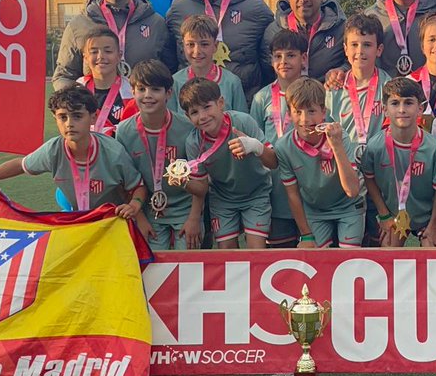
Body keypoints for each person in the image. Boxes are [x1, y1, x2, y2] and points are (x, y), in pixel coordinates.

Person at [0, 87, 150, 234]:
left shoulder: (114, 153)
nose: (69, 124)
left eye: (77, 116)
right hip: (77, 222)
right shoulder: (53, 150)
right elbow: (20, 165)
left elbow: (138, 187)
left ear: (93, 117)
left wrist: (135, 207)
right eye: (63, 117)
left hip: (111, 223)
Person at [53, 0, 174, 90]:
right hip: (96, 111)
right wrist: (81, 104)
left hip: (143, 111)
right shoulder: (78, 25)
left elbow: (170, 72)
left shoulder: (155, 23)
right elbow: (64, 76)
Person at [177, 78, 276, 249]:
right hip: (223, 199)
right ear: (188, 116)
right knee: (227, 253)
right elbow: (201, 188)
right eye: (194, 112)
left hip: (256, 194)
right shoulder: (193, 142)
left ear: (220, 103)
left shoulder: (243, 122)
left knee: (257, 251)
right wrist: (184, 182)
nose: (202, 116)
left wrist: (256, 147)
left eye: (207, 107)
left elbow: (273, 162)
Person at [115, 60, 204, 251]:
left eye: (155, 89)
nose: (147, 95)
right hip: (147, 211)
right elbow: (124, 182)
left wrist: (194, 218)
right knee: (152, 265)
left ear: (168, 93)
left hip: (184, 209)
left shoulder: (187, 127)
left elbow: (201, 180)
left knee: (187, 264)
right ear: (133, 92)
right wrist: (139, 218)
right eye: (141, 89)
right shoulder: (124, 131)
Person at [275, 78, 364, 248]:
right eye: (297, 112)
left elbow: (352, 191)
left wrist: (336, 146)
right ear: (289, 113)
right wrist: (306, 235)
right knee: (315, 258)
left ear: (323, 111)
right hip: (315, 211)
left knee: (349, 256)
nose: (304, 119)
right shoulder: (284, 147)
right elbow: (293, 194)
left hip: (348, 206)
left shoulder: (339, 136)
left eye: (311, 111)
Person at [362, 77, 436, 247]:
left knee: (431, 252)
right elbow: (369, 178)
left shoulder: (434, 148)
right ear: (385, 110)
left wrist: (433, 226)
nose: (402, 109)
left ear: (420, 109)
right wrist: (384, 215)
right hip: (394, 216)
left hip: (427, 217)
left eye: (408, 103)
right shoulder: (374, 146)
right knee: (389, 248)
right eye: (395, 103)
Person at [251, 29, 308, 247]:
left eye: (291, 55)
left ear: (304, 58)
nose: (284, 61)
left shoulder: (316, 93)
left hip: (308, 187)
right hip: (274, 189)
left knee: (313, 256)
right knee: (280, 254)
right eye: (278, 56)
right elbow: (255, 140)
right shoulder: (261, 98)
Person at [260, 0, 347, 82]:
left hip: (328, 97)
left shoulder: (341, 28)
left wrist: (342, 70)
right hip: (287, 98)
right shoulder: (273, 31)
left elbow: (354, 62)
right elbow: (267, 74)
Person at [326, 14, 391, 162]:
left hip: (379, 164)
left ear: (379, 49)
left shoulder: (388, 87)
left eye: (367, 45)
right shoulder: (334, 89)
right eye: (354, 45)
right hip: (344, 166)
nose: (360, 50)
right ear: (345, 49)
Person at [169, 15, 248, 116]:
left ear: (215, 46)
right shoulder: (175, 82)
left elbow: (242, 122)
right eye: (190, 44)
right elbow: (172, 123)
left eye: (204, 44)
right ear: (183, 46)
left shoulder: (232, 82)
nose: (197, 51)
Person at [77, 26, 136, 136]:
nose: (101, 56)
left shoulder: (131, 90)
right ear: (85, 58)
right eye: (94, 52)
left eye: (108, 51)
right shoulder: (77, 90)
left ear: (119, 56)